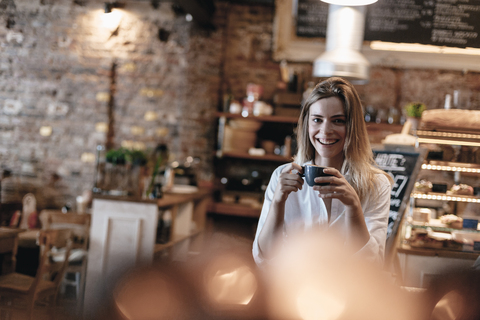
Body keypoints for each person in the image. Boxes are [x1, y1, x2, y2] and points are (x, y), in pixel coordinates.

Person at [253, 77, 393, 267]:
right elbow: (263, 258)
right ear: (307, 124)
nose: (325, 130)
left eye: (338, 121)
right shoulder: (283, 176)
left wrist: (353, 207)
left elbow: (372, 267)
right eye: (317, 120)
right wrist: (278, 202)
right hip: (289, 292)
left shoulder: (376, 184)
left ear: (353, 126)